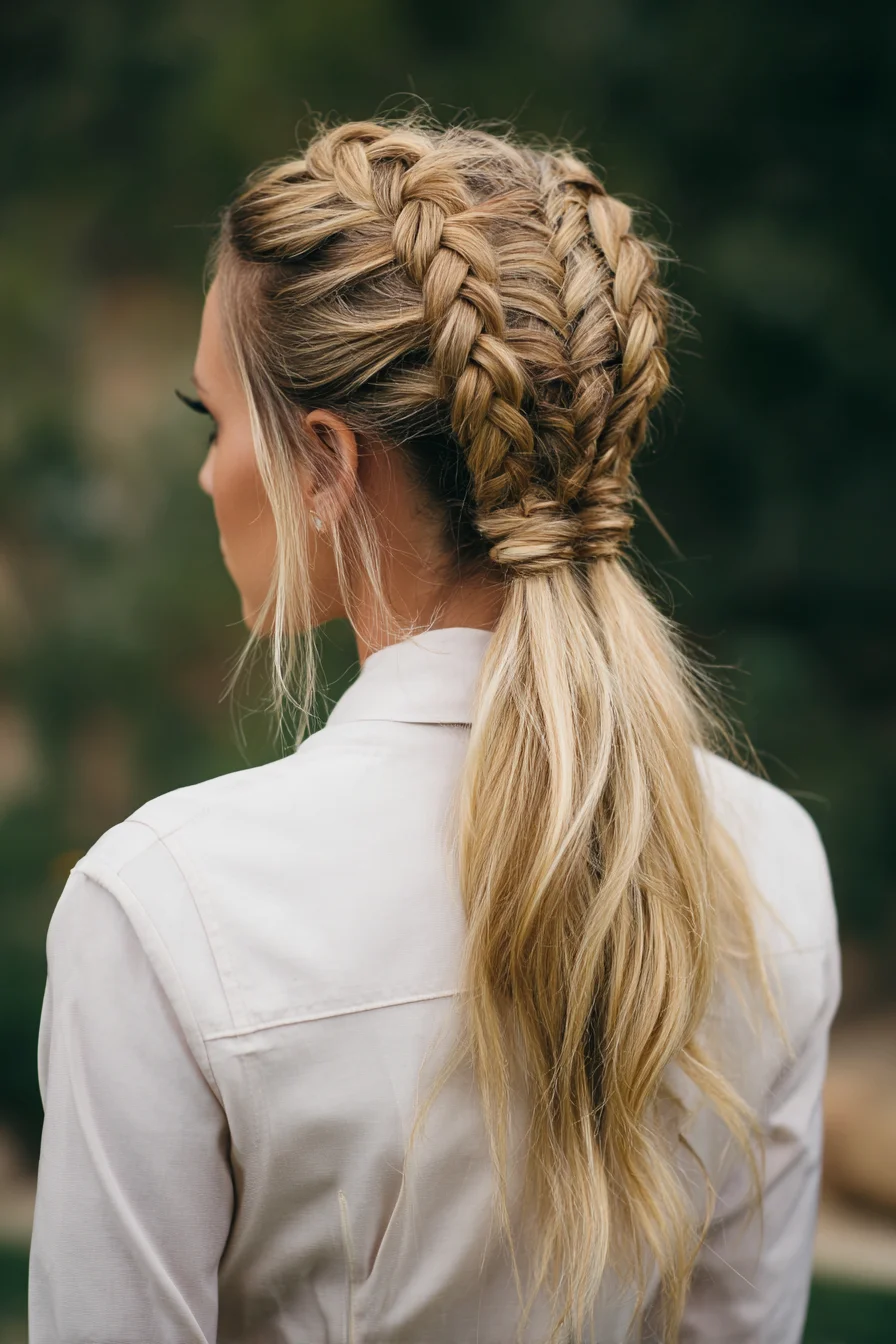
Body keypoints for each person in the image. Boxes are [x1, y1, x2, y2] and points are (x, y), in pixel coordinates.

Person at [28, 116, 840, 1344]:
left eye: (215, 423)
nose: (206, 476)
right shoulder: (769, 864)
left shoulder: (165, 909)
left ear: (322, 461)